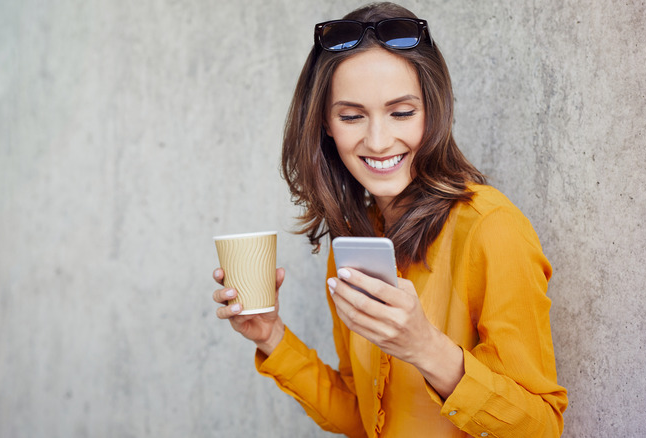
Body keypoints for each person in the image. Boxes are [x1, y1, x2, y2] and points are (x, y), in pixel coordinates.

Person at [212, 2, 568, 437]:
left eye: (401, 112)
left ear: (432, 111)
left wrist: (425, 348)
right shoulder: (355, 239)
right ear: (325, 123)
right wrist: (271, 336)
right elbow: (362, 419)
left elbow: (541, 428)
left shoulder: (492, 228)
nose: (379, 141)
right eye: (351, 116)